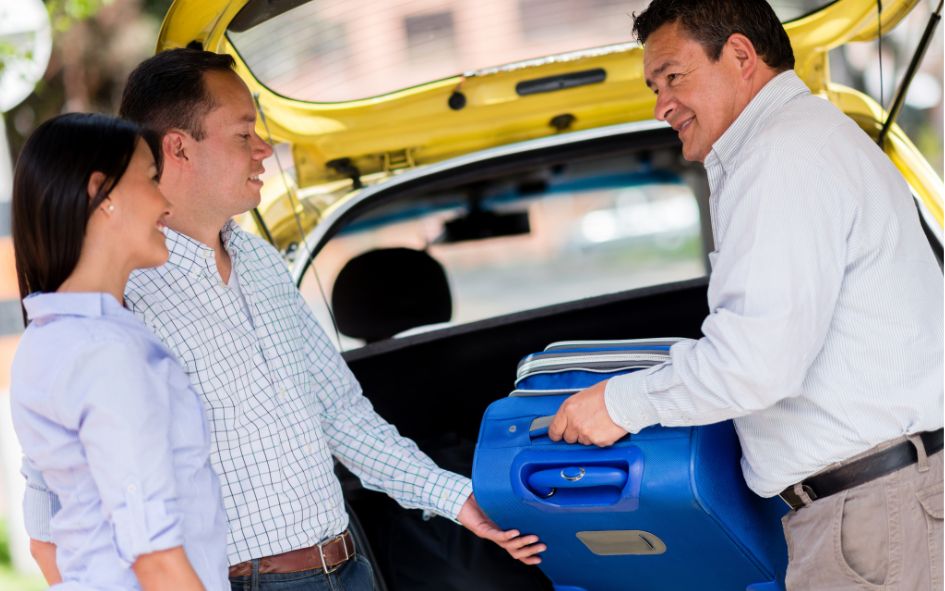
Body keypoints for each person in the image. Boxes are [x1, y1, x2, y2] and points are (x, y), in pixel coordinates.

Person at [24, 50, 544, 591]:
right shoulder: (118, 300)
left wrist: (457, 499)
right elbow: (53, 507)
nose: (264, 149)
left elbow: (341, 412)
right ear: (179, 147)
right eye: (243, 134)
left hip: (350, 567)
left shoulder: (260, 261)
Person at [548, 0, 943, 589]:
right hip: (887, 505)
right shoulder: (807, 138)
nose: (661, 105)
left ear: (739, 54)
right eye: (655, 87)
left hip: (875, 515)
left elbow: (754, 364)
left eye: (673, 77)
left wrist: (616, 404)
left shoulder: (780, 157)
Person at [11, 113, 229, 590]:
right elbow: (155, 559)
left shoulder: (46, 340)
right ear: (101, 193)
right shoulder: (105, 352)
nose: (166, 204)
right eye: (151, 179)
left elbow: (48, 537)